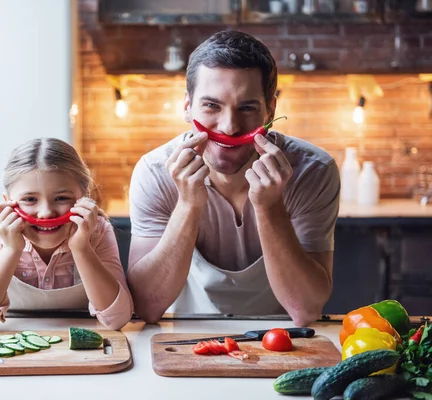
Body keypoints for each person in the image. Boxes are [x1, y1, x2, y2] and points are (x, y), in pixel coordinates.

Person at [126, 30, 340, 327]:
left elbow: (305, 309)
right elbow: (146, 307)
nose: (229, 127)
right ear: (187, 107)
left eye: (247, 108)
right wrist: (188, 205)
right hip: (186, 337)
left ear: (271, 110)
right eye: (212, 106)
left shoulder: (312, 171)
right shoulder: (155, 172)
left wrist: (269, 207)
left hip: (284, 340)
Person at [0, 138, 133, 331]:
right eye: (30, 199)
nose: (46, 212)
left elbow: (118, 320)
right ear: (8, 202)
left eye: (61, 198)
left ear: (83, 198)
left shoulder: (98, 233)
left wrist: (81, 248)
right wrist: (11, 250)